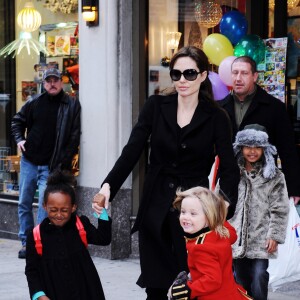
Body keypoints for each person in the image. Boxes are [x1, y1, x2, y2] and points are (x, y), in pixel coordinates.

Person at [93, 46, 240, 299]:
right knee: (156, 285)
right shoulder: (156, 105)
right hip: (154, 206)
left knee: (191, 285)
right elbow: (132, 151)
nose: (182, 80)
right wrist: (108, 186)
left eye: (190, 74)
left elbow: (229, 167)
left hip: (193, 211)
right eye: (177, 74)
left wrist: (223, 206)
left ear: (204, 75)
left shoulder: (217, 116)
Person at [11, 67, 81, 259]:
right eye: (48, 80)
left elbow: (74, 137)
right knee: (24, 203)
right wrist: (19, 140)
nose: (52, 83)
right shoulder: (34, 102)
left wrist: (62, 164)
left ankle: (40, 243)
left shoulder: (72, 105)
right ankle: (27, 243)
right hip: (29, 162)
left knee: (45, 205)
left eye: (55, 80)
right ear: (43, 83)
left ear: (61, 82)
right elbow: (17, 121)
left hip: (51, 166)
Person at [218, 55, 300, 205]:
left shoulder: (275, 108)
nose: (238, 78)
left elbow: (288, 151)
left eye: (244, 73)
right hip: (227, 188)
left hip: (262, 188)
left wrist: (293, 188)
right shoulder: (219, 109)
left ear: (255, 76)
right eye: (235, 73)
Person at [25, 170, 112, 300]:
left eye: (64, 210)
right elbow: (32, 270)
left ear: (73, 207)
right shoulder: (35, 235)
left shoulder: (80, 224)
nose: (59, 215)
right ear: (44, 206)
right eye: (53, 210)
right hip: (54, 293)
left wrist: (102, 212)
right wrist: (39, 294)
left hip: (86, 292)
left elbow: (104, 238)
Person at [229, 124, 289, 300]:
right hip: (236, 237)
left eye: (257, 147)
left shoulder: (274, 176)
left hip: (262, 238)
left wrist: (275, 235)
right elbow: (220, 202)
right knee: (240, 278)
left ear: (265, 149)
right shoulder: (232, 172)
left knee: (259, 275)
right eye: (248, 146)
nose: (252, 151)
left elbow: (280, 208)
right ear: (241, 147)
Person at [169, 186, 251, 300]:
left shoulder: (201, 247)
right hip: (230, 293)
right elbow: (233, 235)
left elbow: (212, 279)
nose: (185, 217)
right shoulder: (219, 232)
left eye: (193, 214)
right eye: (183, 212)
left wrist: (189, 289)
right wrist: (219, 216)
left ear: (208, 217)